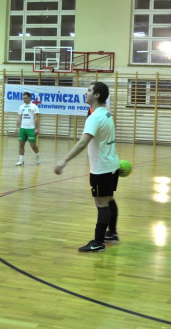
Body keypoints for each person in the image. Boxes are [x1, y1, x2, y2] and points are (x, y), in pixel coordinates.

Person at [54, 82, 120, 253]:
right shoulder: (106, 112)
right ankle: (111, 233)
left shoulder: (95, 117)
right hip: (112, 164)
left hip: (102, 168)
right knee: (108, 199)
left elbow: (83, 142)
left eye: (89, 90)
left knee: (101, 203)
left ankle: (98, 242)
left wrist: (64, 161)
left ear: (97, 95)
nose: (86, 92)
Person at [15, 91, 41, 166]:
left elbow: (36, 118)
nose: (24, 99)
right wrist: (17, 127)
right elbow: (19, 118)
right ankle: (21, 161)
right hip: (23, 128)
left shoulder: (34, 107)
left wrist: (36, 128)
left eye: (25, 98)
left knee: (32, 145)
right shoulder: (21, 107)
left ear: (29, 98)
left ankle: (37, 154)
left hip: (31, 128)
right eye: (23, 98)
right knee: (21, 144)